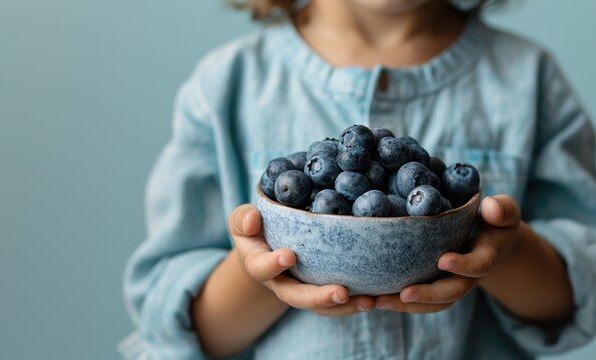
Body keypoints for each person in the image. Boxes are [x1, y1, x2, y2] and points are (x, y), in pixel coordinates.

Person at [119, 0, 596, 359]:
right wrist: (260, 278)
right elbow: (179, 326)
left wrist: (505, 253)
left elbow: (574, 294)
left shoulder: (528, 81)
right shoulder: (225, 87)